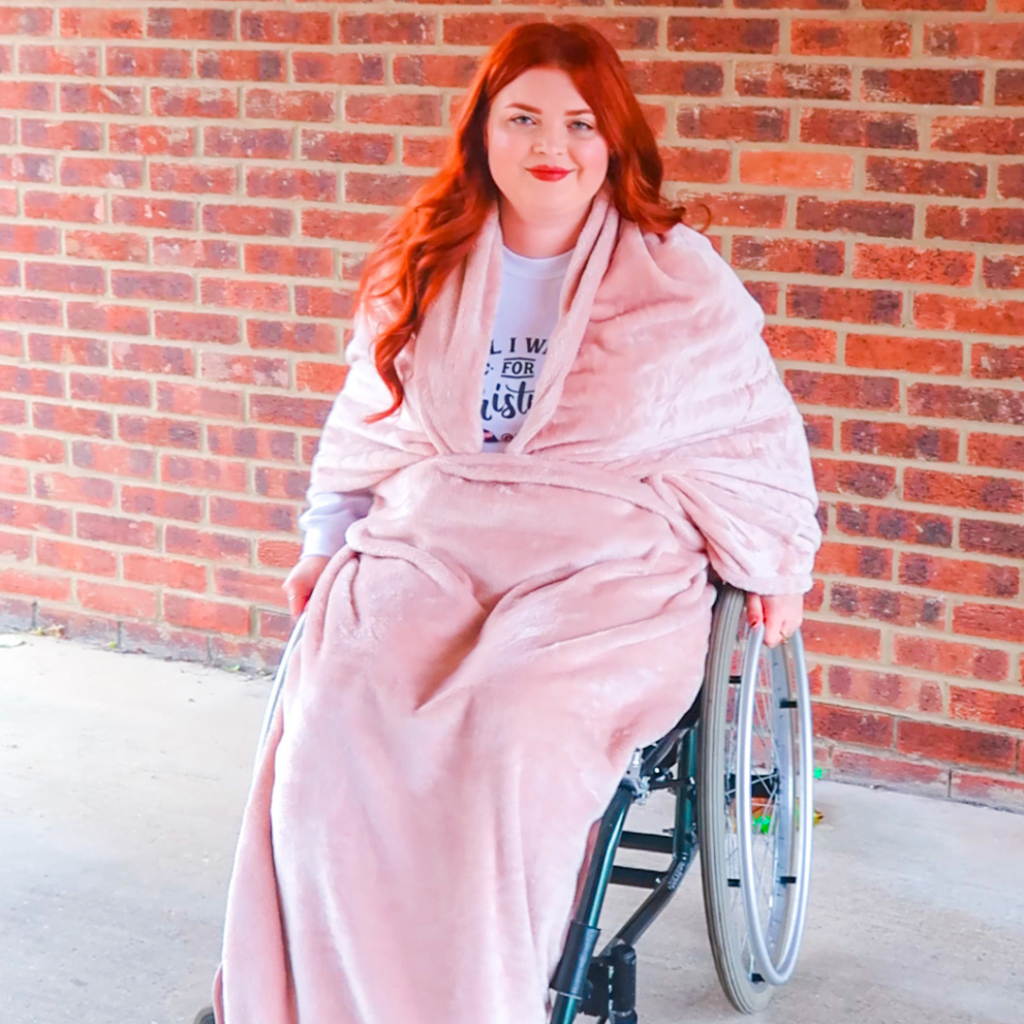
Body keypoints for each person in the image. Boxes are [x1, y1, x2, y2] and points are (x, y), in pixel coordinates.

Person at [213, 21, 821, 1024]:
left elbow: (750, 431)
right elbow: (367, 415)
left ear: (613, 139)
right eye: (524, 116)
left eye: (580, 122)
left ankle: (468, 998)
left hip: (606, 563)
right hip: (437, 538)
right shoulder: (429, 260)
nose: (553, 143)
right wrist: (325, 538)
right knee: (331, 723)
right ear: (483, 134)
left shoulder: (679, 278)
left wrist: (778, 565)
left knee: (508, 731)